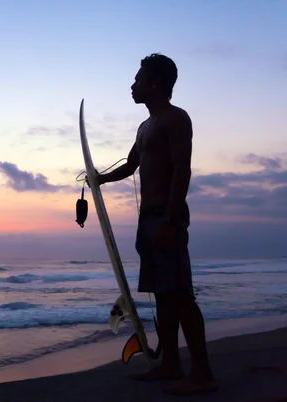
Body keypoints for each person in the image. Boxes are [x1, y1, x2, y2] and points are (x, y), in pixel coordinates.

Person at [94, 53, 217, 395]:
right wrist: (100, 179)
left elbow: (182, 170)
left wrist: (170, 218)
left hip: (166, 216)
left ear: (155, 83)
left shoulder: (175, 119)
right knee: (162, 295)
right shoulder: (144, 126)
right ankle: (171, 365)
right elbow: (131, 165)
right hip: (147, 219)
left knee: (180, 296)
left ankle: (203, 374)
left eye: (138, 79)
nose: (132, 85)